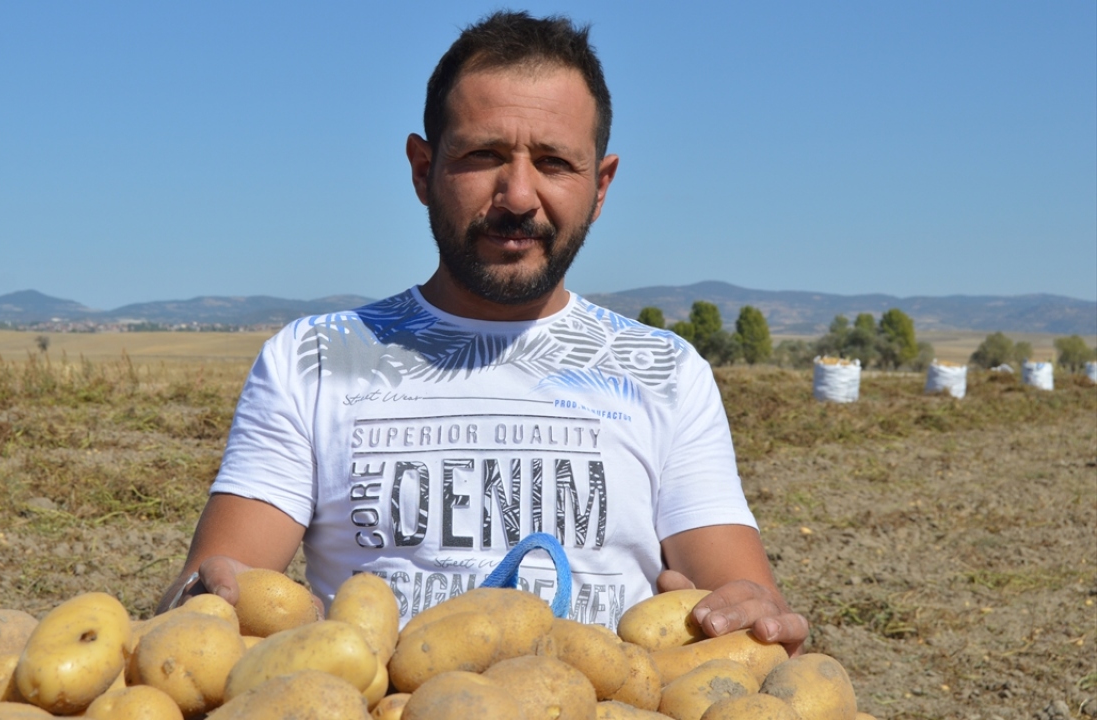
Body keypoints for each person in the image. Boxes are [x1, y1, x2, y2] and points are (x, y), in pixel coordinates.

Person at [158, 10, 808, 655]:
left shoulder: (664, 371)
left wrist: (752, 615)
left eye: (554, 162)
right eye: (484, 155)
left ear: (601, 186)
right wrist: (201, 599)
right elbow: (205, 601)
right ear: (422, 168)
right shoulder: (315, 359)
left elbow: (744, 601)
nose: (519, 195)